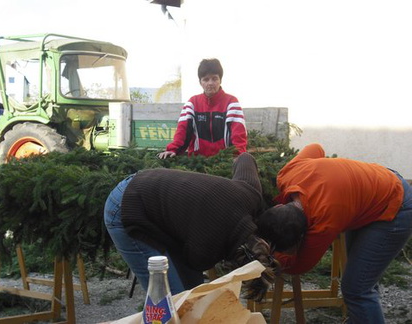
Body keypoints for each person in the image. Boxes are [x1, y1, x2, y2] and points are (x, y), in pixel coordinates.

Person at [255, 143, 412, 324]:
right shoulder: (288, 174)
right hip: (374, 186)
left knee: (357, 289)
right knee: (360, 280)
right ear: (279, 206)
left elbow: (300, 266)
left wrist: (266, 259)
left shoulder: (324, 223)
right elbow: (316, 148)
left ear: (302, 236)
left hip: (395, 205)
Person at [104, 152, 278, 301]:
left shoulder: (251, 194)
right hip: (127, 208)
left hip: (147, 183)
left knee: (192, 294)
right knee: (174, 301)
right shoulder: (205, 251)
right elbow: (195, 259)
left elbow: (245, 158)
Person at [158, 58, 247, 159]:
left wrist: (238, 157)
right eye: (206, 79)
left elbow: (238, 136)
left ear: (220, 80)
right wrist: (172, 149)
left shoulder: (231, 102)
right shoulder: (192, 103)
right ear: (200, 82)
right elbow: (182, 132)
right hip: (197, 162)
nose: (210, 83)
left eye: (214, 78)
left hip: (225, 162)